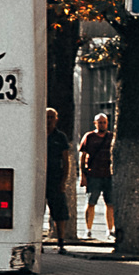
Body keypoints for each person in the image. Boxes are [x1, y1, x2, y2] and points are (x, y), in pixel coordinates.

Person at [78, 112, 115, 243]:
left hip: (109, 176)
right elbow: (82, 156)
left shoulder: (111, 137)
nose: (102, 125)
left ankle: (110, 230)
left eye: (104, 122)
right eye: (100, 122)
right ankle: (88, 230)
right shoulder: (89, 136)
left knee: (110, 204)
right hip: (93, 175)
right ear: (95, 123)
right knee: (91, 203)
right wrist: (82, 175)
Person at [44, 107, 71, 251]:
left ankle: (61, 243)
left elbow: (66, 161)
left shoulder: (60, 137)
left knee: (60, 213)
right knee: (37, 212)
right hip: (39, 179)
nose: (49, 120)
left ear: (56, 119)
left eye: (51, 117)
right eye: (47, 117)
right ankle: (37, 242)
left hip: (55, 179)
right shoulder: (37, 134)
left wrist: (63, 181)